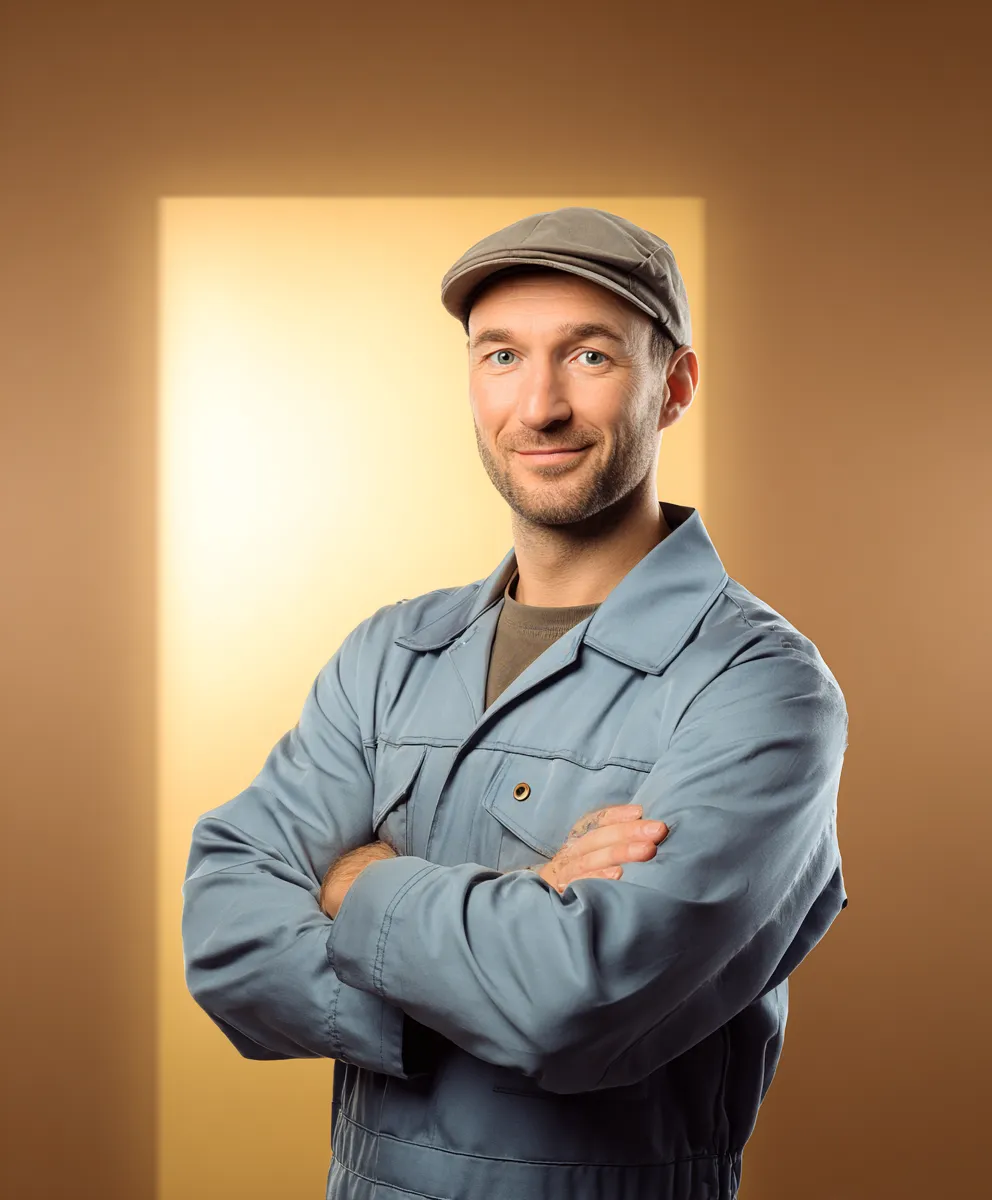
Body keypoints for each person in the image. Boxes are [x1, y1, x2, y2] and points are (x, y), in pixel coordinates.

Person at [182, 206, 850, 1200]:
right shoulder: (389, 652)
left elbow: (570, 1003)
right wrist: (510, 919)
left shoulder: (756, 687)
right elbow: (223, 930)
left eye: (586, 357)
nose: (535, 406)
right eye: (500, 355)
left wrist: (354, 886)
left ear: (672, 387)